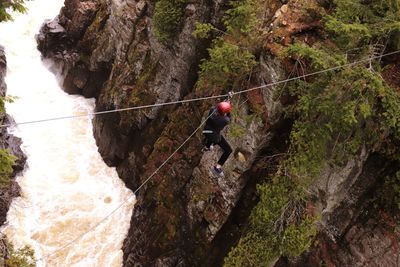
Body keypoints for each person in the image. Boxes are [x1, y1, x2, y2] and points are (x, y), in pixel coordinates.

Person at [202, 101, 233, 176]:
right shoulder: (225, 120)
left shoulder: (212, 110)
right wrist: (228, 108)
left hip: (206, 130)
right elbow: (229, 118)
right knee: (228, 150)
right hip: (214, 136)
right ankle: (217, 167)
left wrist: (226, 102)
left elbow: (217, 106)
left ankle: (207, 147)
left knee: (214, 136)